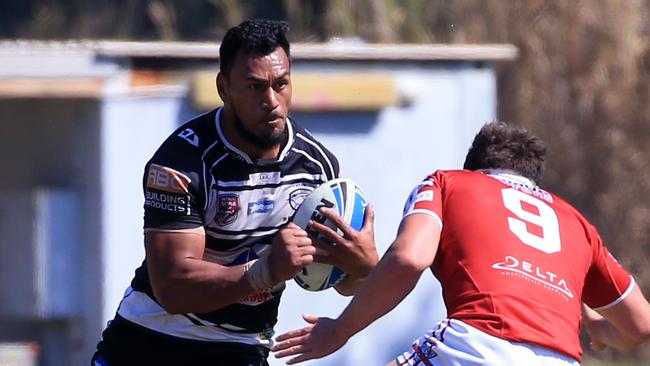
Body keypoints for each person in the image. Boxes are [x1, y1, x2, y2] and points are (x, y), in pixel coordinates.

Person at [91, 19, 378, 366]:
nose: (271, 101)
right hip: (151, 341)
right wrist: (266, 271)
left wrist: (361, 269)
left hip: (241, 347)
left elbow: (337, 280)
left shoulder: (317, 167)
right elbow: (174, 289)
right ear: (223, 88)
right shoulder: (181, 164)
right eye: (255, 87)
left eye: (281, 84)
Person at [272, 121, 650, 365]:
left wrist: (340, 330)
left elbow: (409, 259)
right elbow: (642, 325)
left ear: (474, 168)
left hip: (477, 345)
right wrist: (601, 330)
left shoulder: (448, 182)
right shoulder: (578, 224)